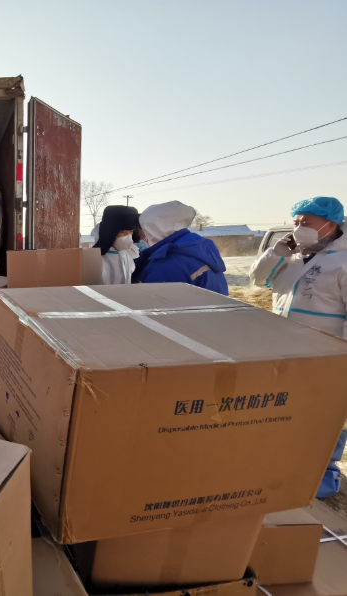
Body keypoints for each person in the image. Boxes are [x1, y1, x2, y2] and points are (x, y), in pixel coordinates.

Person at [249, 196, 346, 498]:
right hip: (286, 349)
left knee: (326, 415)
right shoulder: (293, 254)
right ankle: (283, 466)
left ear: (331, 224)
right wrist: (276, 253)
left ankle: (322, 475)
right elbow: (257, 279)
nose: (298, 226)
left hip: (328, 354)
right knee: (288, 411)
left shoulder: (342, 260)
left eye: (307, 222)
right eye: (296, 221)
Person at [132, 201, 228, 295]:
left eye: (144, 231)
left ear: (155, 229)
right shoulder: (198, 250)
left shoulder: (167, 264)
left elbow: (152, 302)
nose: (142, 237)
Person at [92, 205, 140, 284]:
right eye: (122, 232)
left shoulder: (131, 253)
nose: (128, 236)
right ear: (110, 232)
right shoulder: (96, 258)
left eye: (131, 231)